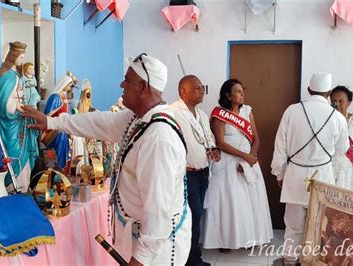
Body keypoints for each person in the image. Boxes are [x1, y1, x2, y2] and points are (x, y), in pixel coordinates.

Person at [22, 53, 191, 265]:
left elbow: (158, 211)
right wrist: (51, 122)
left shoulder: (158, 137)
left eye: (127, 80)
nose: (122, 84)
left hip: (158, 252)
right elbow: (99, 122)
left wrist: (140, 260)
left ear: (143, 88)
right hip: (139, 238)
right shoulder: (138, 119)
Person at [270, 72, 349, 265]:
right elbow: (342, 149)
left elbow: (280, 145)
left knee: (293, 224)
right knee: (318, 223)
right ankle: (311, 261)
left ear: (308, 89)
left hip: (295, 174)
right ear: (329, 92)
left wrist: (279, 172)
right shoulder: (338, 117)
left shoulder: (292, 110)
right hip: (322, 175)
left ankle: (289, 259)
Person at [202, 79, 274, 252]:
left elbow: (256, 138)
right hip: (227, 162)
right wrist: (244, 157)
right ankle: (225, 241)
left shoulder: (248, 111)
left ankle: (251, 237)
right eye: (238, 91)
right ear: (228, 95)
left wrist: (250, 158)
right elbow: (221, 142)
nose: (242, 94)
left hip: (247, 161)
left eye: (243, 91)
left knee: (251, 201)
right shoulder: (219, 114)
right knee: (228, 201)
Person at [170, 75, 220, 266]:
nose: (202, 92)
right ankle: (190, 260)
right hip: (186, 175)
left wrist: (213, 149)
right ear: (183, 91)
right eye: (198, 88)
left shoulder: (201, 114)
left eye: (202, 88)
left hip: (202, 173)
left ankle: (193, 257)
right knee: (193, 215)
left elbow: (208, 137)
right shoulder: (173, 112)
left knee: (197, 215)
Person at [0, 41, 38, 192]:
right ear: (13, 56)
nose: (22, 61)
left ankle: (23, 186)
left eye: (23, 57)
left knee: (22, 151)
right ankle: (12, 186)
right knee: (13, 151)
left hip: (19, 119)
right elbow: (1, 102)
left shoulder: (15, 75)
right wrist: (17, 106)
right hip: (9, 123)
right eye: (20, 57)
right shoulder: (7, 76)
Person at [41, 72, 77, 169]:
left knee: (62, 154)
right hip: (55, 130)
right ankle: (52, 173)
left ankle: (59, 173)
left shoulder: (63, 97)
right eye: (69, 85)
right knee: (54, 153)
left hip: (62, 129)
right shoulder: (55, 97)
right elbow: (47, 114)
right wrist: (58, 109)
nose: (70, 88)